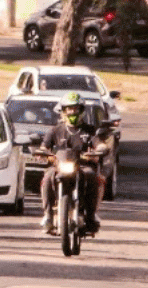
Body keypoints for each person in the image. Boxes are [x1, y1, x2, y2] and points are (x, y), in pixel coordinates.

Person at [38, 93, 111, 234]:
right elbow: (44, 147)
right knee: (47, 177)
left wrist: (99, 150)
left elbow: (100, 144)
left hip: (83, 166)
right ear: (63, 111)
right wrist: (43, 153)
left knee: (93, 176)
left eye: (76, 109)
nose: (72, 112)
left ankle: (91, 216)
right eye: (69, 109)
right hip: (59, 167)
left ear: (81, 111)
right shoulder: (55, 130)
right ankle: (48, 215)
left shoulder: (90, 130)